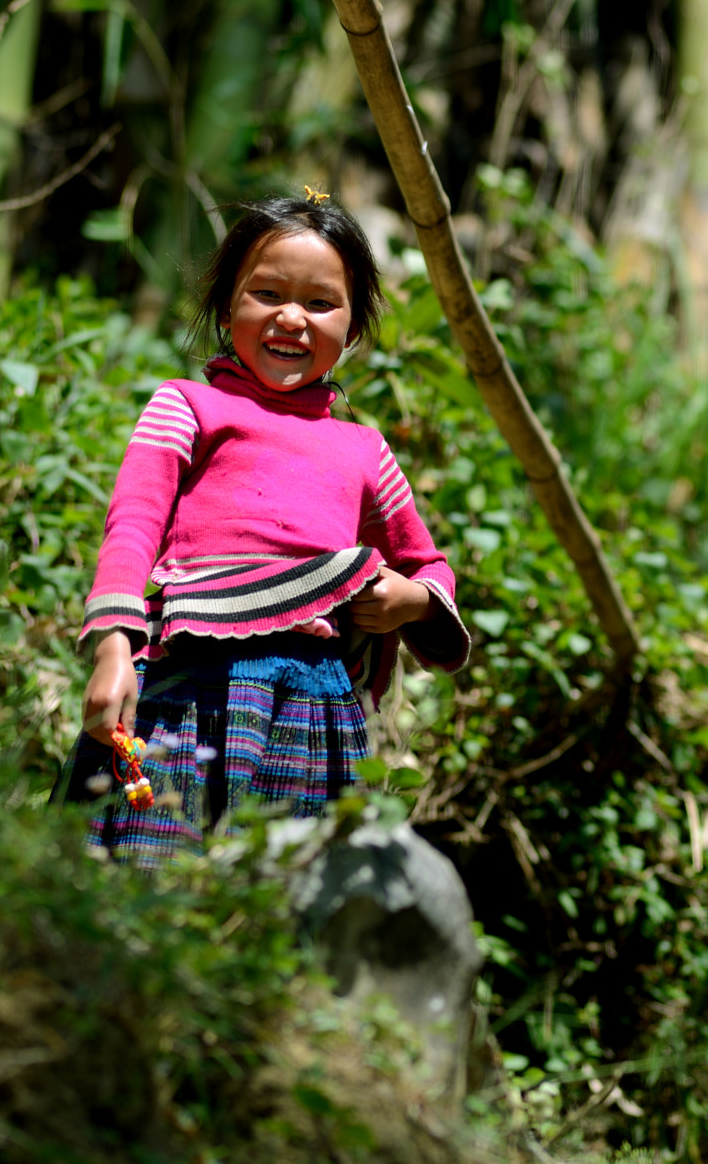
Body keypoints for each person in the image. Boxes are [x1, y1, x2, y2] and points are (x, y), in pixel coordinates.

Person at [62, 193, 469, 866]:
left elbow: (430, 567)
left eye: (320, 303)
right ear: (228, 310)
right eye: (267, 293)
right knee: (145, 877)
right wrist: (112, 648)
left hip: (310, 708)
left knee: (279, 897)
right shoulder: (186, 406)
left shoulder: (365, 450)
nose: (290, 317)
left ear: (354, 330)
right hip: (184, 685)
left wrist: (412, 600)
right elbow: (132, 527)